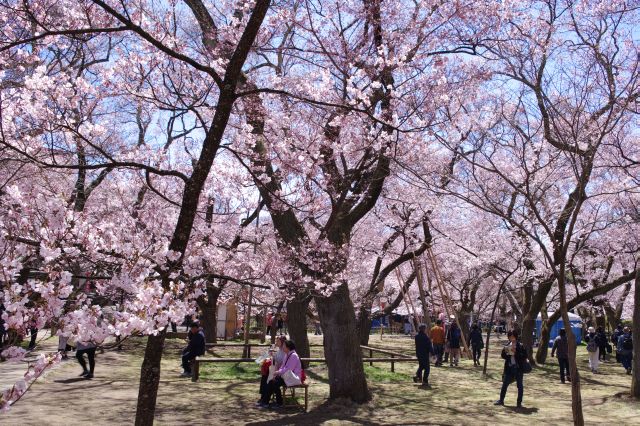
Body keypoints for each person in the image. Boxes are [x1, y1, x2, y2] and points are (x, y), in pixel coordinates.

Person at [259, 340, 302, 409]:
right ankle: (265, 402)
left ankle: (279, 403)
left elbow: (289, 369)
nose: (283, 347)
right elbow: (282, 367)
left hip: (293, 378)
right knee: (271, 381)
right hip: (286, 376)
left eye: (284, 346)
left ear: (288, 347)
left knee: (275, 383)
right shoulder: (287, 355)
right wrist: (277, 373)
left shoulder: (293, 356)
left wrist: (278, 372)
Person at [495, 330, 527, 407]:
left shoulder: (520, 345)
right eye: (510, 337)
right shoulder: (507, 345)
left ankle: (519, 403)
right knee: (505, 384)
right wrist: (506, 352)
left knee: (520, 386)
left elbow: (525, 356)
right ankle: (501, 400)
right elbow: (503, 356)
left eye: (513, 337)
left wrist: (516, 352)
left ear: (516, 337)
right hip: (509, 368)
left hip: (518, 368)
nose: (512, 338)